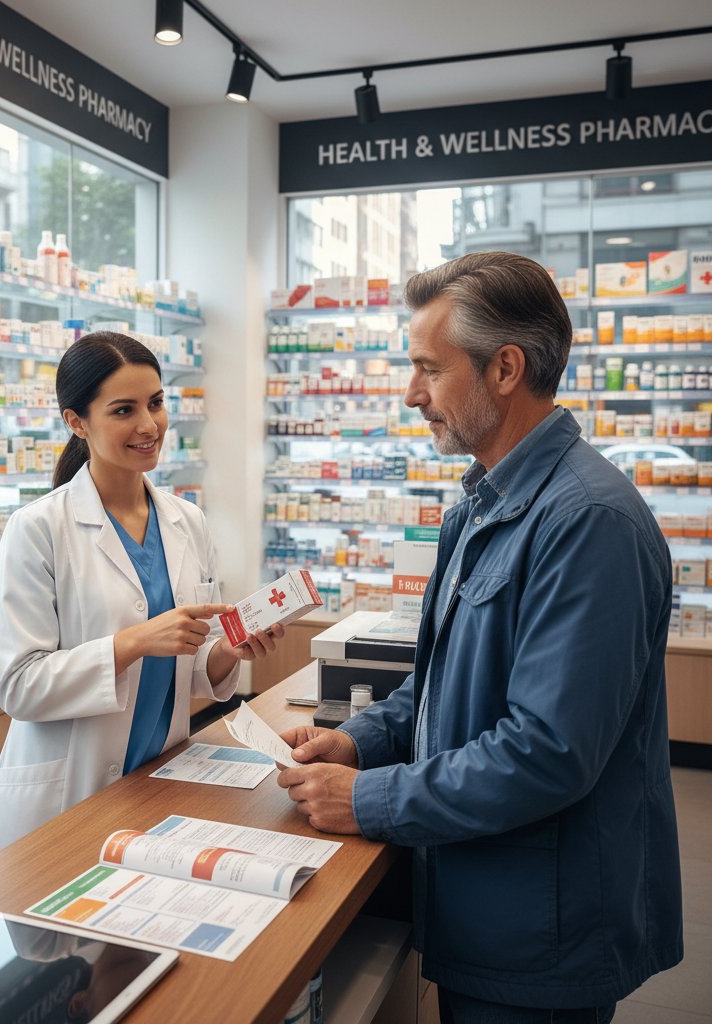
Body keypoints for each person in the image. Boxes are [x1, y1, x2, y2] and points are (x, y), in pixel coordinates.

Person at [278, 252, 683, 1022]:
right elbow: (443, 686)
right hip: (484, 900)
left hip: (541, 930)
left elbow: (548, 752)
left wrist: (370, 798)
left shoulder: (587, 522)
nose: (411, 394)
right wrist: (360, 741)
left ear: (505, 368)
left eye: (429, 368)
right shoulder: (479, 505)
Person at [0, 330, 281, 861]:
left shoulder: (187, 521)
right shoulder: (38, 529)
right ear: (76, 422)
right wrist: (135, 641)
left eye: (157, 403)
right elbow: (20, 687)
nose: (149, 425)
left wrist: (226, 651)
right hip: (70, 797)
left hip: (158, 781)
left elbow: (189, 669)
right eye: (123, 410)